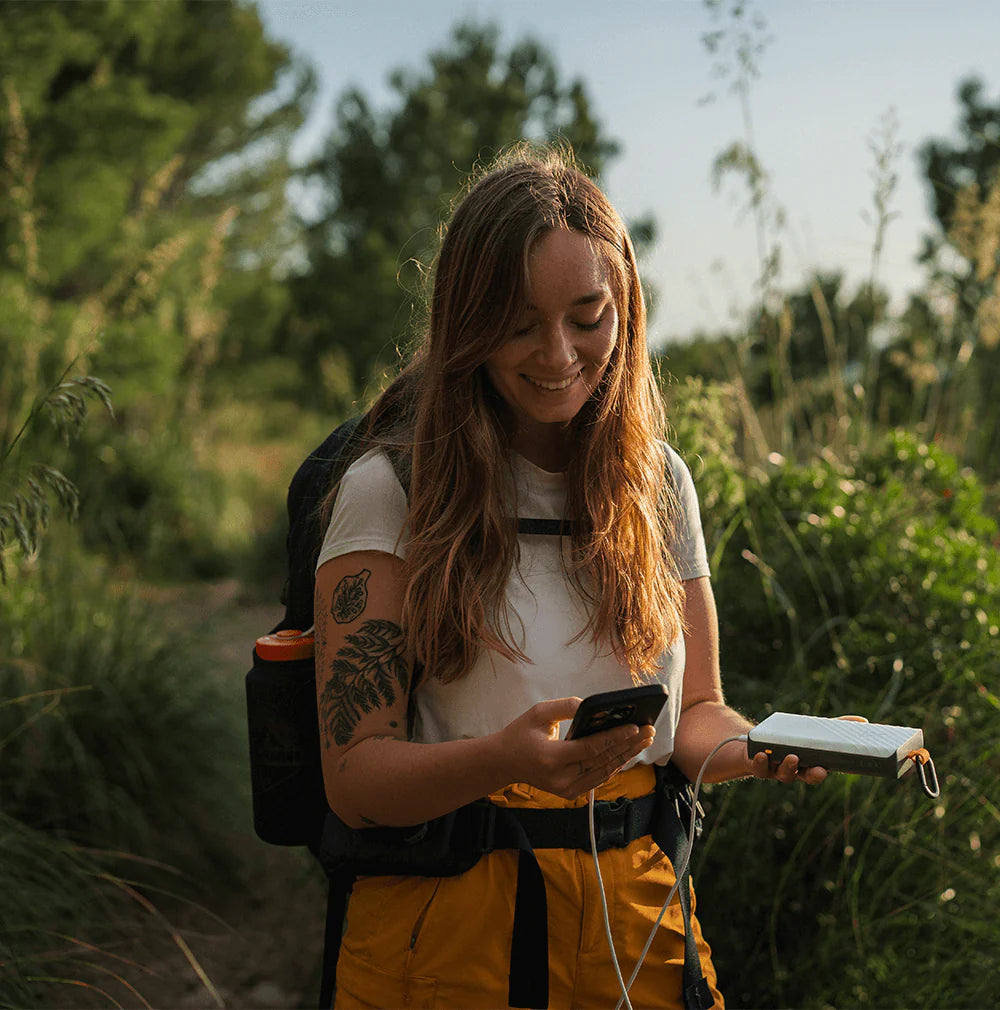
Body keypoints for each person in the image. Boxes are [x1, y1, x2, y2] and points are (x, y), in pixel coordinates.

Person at [312, 143, 831, 1010]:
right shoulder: (389, 490)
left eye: (588, 316)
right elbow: (354, 781)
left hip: (635, 921)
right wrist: (500, 762)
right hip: (445, 939)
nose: (557, 353)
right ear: (466, 323)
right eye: (518, 323)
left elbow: (696, 714)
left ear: (625, 308)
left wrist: (763, 749)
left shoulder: (657, 484)